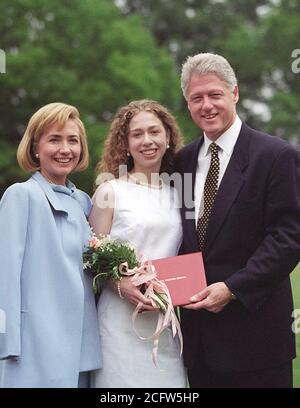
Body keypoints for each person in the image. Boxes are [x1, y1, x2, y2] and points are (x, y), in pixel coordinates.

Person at [175, 52, 300, 388]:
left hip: (256, 341)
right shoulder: (181, 161)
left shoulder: (276, 156)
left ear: (235, 93)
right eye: (196, 98)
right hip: (197, 344)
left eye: (215, 95)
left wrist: (232, 289)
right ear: (188, 104)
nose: (207, 106)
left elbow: (288, 238)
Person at [0, 102, 102, 387]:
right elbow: (4, 277)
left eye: (73, 140)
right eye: (54, 139)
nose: (65, 149)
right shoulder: (21, 196)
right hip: (33, 348)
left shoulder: (83, 201)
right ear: (35, 147)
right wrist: (6, 343)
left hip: (82, 350)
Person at [89, 99, 187, 388]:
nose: (147, 141)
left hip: (164, 323)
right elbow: (91, 258)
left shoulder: (178, 193)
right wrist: (122, 285)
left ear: (168, 137)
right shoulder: (110, 190)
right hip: (118, 322)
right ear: (126, 142)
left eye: (154, 132)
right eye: (137, 134)